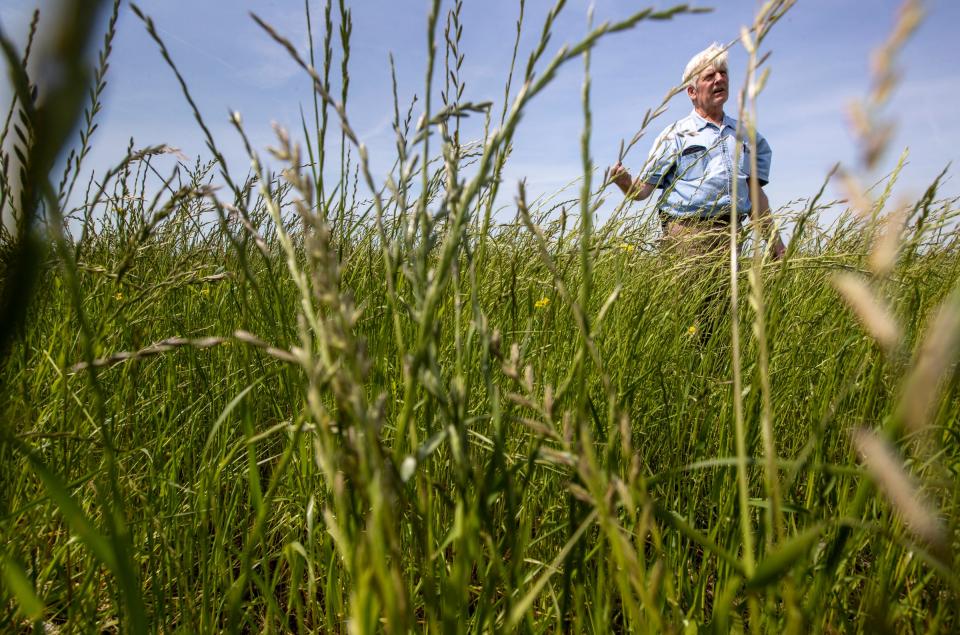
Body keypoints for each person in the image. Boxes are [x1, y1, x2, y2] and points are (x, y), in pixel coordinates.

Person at [609, 43, 786, 260]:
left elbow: (755, 196)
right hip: (685, 236)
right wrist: (624, 182)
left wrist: (776, 244)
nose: (719, 79)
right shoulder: (675, 135)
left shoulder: (746, 136)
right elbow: (642, 191)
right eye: (710, 76)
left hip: (731, 235)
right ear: (692, 91)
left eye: (723, 74)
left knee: (728, 296)